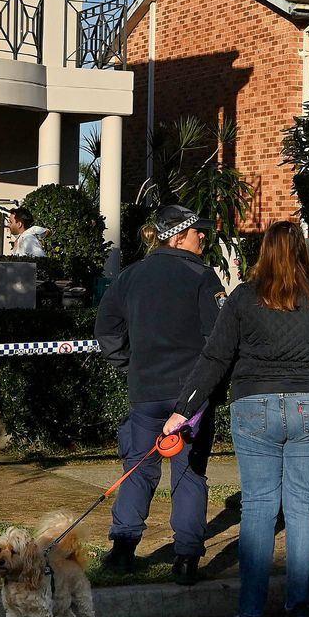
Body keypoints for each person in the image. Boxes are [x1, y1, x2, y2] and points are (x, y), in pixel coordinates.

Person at [164, 221, 309, 617]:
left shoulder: (244, 297)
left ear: (264, 253)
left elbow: (215, 359)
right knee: (304, 507)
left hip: (253, 403)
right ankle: (300, 609)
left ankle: (250, 614)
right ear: (304, 254)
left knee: (259, 508)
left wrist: (182, 411)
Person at [94, 204, 227, 586]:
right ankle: (186, 557)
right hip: (190, 398)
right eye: (196, 231)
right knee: (189, 474)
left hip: (146, 394)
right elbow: (217, 338)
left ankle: (122, 549)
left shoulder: (131, 276)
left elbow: (107, 330)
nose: (203, 237)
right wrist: (206, 385)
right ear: (176, 236)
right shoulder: (202, 277)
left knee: (137, 468)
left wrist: (130, 367)